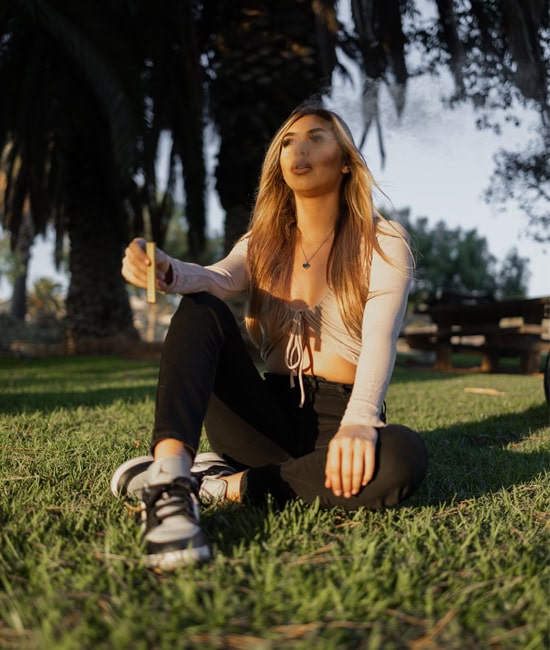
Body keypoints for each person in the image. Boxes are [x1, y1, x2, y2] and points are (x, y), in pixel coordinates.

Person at [111, 101, 428, 570]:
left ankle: (221, 485)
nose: (297, 149)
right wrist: (164, 270)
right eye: (286, 142)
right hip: (262, 418)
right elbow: (216, 279)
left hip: (340, 424)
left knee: (404, 455)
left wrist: (361, 420)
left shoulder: (383, 241)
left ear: (346, 161)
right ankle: (172, 478)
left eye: (316, 136)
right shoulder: (262, 243)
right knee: (203, 308)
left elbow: (381, 338)